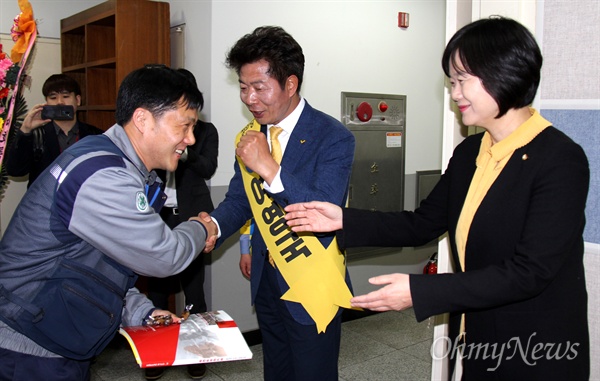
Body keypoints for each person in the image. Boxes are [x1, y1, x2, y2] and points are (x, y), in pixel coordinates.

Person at [284, 16, 590, 381]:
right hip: (479, 338)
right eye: (451, 82)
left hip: (538, 350)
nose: (454, 93)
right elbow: (422, 223)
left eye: (462, 80)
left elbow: (531, 272)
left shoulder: (558, 159)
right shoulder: (471, 152)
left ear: (504, 73)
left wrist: (421, 290)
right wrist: (344, 219)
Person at [0, 65, 215, 381]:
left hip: (52, 338)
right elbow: (165, 255)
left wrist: (143, 312)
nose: (190, 139)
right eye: (184, 126)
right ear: (142, 120)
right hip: (29, 347)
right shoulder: (103, 175)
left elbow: (100, 262)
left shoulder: (124, 169)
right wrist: (202, 227)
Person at [201, 26, 355, 381]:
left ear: (290, 84)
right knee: (278, 372)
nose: (249, 99)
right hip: (268, 282)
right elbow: (240, 200)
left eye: (259, 87)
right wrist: (214, 226)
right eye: (243, 87)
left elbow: (322, 208)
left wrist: (269, 167)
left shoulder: (334, 137)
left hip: (313, 282)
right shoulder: (252, 136)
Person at [144, 68, 219, 381]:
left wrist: (182, 147)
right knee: (157, 292)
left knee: (194, 291)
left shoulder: (205, 131)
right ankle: (158, 354)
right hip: (159, 217)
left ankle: (197, 352)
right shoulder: (160, 129)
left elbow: (207, 166)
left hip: (193, 216)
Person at [4, 73, 103, 188]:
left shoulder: (95, 135)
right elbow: (15, 171)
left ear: (78, 100)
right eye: (53, 98)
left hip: (82, 201)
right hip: (44, 203)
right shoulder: (37, 135)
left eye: (65, 96)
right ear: (46, 103)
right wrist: (25, 129)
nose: (60, 102)